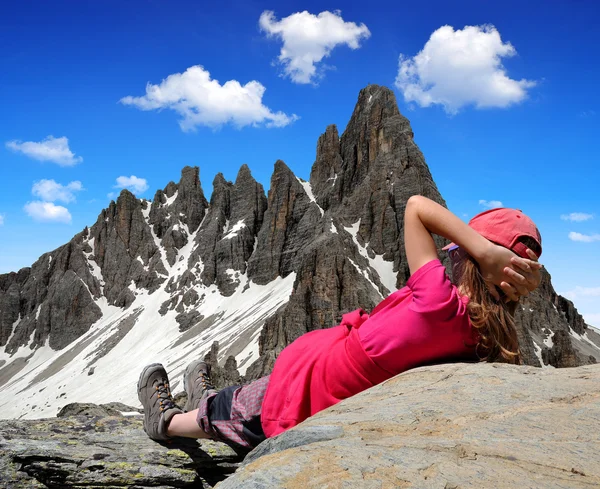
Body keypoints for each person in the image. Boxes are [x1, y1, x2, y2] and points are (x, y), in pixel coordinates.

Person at [137, 196, 543, 450]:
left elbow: (417, 207)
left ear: (480, 260)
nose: (450, 258)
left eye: (459, 253)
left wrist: (483, 250)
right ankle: (204, 398)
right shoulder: (486, 336)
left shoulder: (439, 302)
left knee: (227, 414)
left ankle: (169, 421)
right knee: (241, 394)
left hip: (299, 400)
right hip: (307, 379)